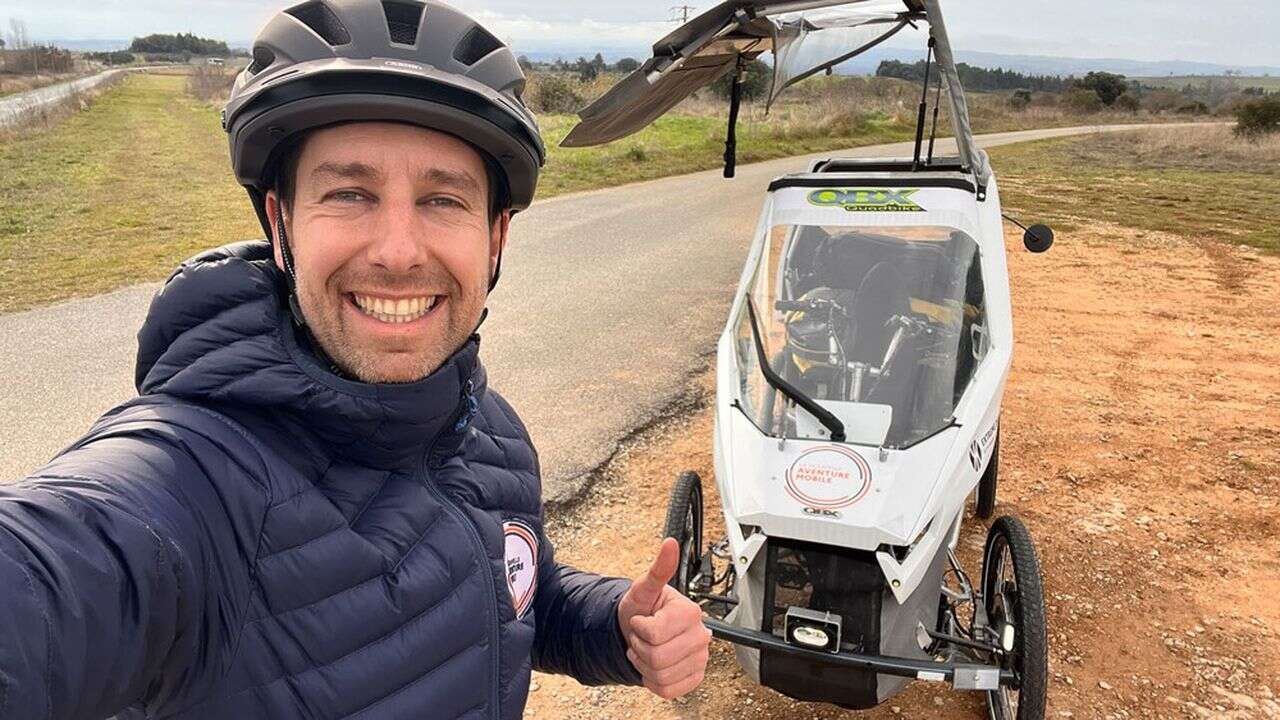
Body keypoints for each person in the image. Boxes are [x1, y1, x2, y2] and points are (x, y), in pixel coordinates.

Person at [0, 2, 711, 718]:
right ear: (281, 225)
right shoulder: (189, 479)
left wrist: (610, 624)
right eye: (349, 193)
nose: (398, 251)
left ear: (494, 239)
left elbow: (507, 594)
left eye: (442, 198)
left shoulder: (488, 431)